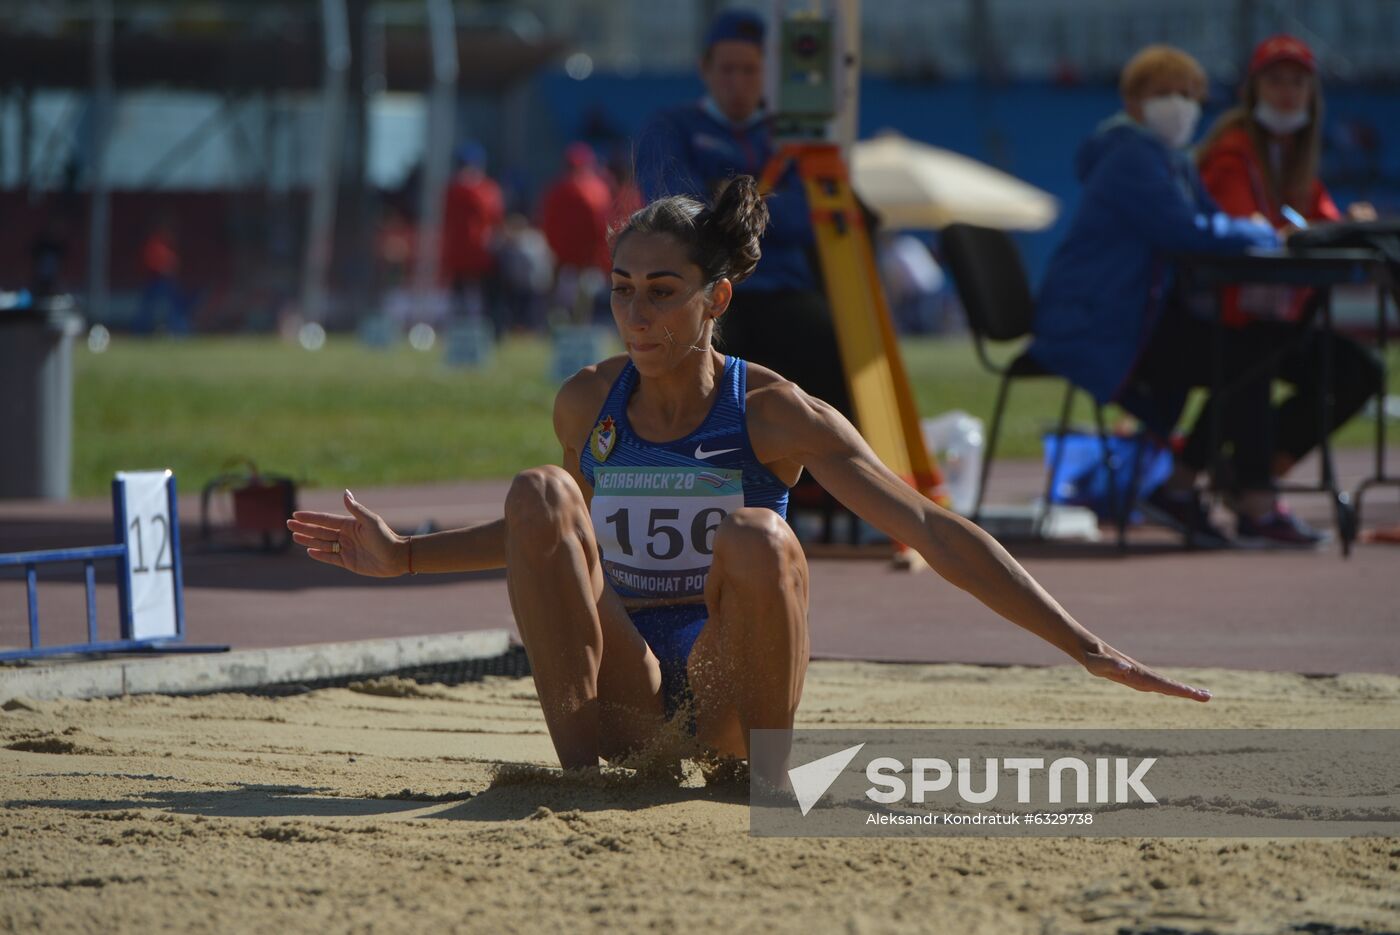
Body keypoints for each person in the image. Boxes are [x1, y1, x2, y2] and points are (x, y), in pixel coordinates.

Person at [288, 177, 1210, 785]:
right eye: (620, 288)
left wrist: (1083, 643)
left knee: (759, 537)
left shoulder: (774, 413)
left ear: (714, 298)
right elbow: (555, 542)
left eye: (662, 291)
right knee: (540, 490)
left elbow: (930, 530)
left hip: (733, 685)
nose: (636, 313)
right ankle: (579, 785)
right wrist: (404, 556)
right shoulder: (586, 401)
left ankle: (766, 780)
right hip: (625, 683)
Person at [1028, 45, 1320, 549]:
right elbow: (1188, 230)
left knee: (1251, 348)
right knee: (1247, 354)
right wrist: (1262, 234)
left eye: (1189, 94)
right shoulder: (1131, 153)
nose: (1179, 104)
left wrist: (1250, 231)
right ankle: (1241, 500)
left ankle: (1194, 490)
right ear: (1133, 100)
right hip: (1097, 325)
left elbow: (1212, 223)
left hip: (1132, 317)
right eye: (1163, 93)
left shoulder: (1171, 160)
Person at [1193, 34, 1382, 523]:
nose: (1287, 92)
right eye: (1275, 80)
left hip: (1279, 317)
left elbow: (1325, 221)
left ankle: (1249, 472)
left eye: (1298, 82)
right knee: (1253, 359)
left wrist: (1349, 223)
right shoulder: (1232, 152)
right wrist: (1318, 230)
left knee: (1360, 371)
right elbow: (1246, 229)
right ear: (1253, 89)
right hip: (1229, 313)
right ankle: (1234, 484)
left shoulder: (1296, 156)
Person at [633, 9, 851, 418]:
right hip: (709, 291)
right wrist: (763, 205)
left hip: (784, 290)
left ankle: (819, 482)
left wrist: (725, 198)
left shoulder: (792, 136)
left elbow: (806, 220)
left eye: (750, 70)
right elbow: (682, 216)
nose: (738, 82)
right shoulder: (669, 126)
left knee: (836, 351)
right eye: (728, 69)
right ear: (705, 69)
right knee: (702, 372)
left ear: (768, 72)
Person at [539, 143, 613, 324]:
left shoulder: (558, 188)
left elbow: (547, 223)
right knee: (582, 301)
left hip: (563, 256)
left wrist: (554, 249)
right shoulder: (598, 188)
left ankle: (561, 328)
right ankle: (576, 329)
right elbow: (602, 226)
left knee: (561, 299)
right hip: (588, 257)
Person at [440, 142, 505, 331]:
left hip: (458, 254)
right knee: (488, 298)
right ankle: (490, 332)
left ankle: (459, 333)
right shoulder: (486, 190)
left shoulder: (452, 190)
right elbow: (496, 219)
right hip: (481, 254)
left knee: (460, 299)